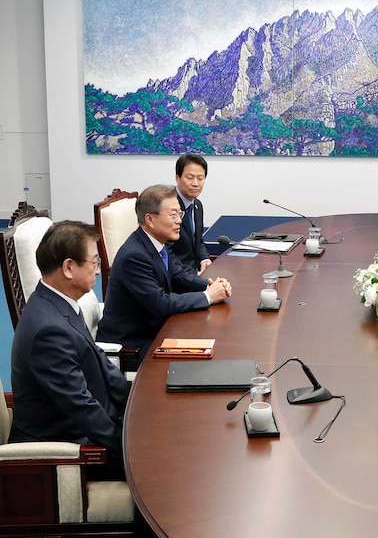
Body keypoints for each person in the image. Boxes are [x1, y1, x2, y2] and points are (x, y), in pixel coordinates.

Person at [9, 221, 130, 480]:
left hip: (97, 424)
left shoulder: (59, 302)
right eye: (94, 262)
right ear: (68, 267)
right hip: (70, 452)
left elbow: (99, 361)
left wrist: (134, 404)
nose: (98, 271)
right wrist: (129, 447)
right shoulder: (47, 331)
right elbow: (81, 408)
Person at [97, 184, 232, 369]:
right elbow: (160, 303)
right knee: (205, 363)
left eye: (180, 214)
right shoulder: (134, 256)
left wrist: (210, 285)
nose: (179, 221)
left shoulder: (155, 243)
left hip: (155, 330)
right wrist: (208, 296)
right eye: (173, 215)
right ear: (150, 219)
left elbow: (179, 275)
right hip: (133, 345)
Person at [168, 154, 211, 275]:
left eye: (200, 178)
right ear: (178, 178)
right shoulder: (169, 207)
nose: (196, 183)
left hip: (195, 272)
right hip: (177, 277)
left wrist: (204, 259)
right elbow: (165, 254)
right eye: (190, 177)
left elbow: (198, 241)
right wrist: (194, 278)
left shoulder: (197, 205)